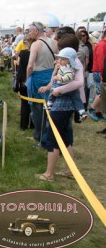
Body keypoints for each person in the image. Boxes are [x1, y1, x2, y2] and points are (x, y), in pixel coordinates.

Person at [37, 37, 84, 181]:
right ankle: (70, 170)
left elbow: (78, 83)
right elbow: (56, 79)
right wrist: (50, 84)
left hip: (62, 106)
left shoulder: (74, 63)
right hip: (64, 106)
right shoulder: (65, 63)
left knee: (53, 138)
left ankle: (49, 174)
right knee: (65, 139)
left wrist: (59, 90)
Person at [26, 21, 55, 148]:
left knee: (37, 111)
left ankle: (40, 137)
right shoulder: (54, 42)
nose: (28, 33)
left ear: (36, 31)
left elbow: (30, 65)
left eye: (29, 31)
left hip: (38, 78)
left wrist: (28, 78)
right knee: (49, 109)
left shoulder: (36, 44)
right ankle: (45, 136)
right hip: (51, 78)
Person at [46, 48, 87, 122]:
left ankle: (49, 103)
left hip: (64, 86)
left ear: (70, 60)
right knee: (77, 100)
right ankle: (81, 111)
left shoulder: (67, 68)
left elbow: (68, 77)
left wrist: (59, 78)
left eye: (63, 59)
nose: (60, 61)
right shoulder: (66, 66)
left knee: (53, 91)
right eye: (59, 59)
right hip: (71, 88)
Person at [16, 39, 33, 130]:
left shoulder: (22, 53)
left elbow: (19, 65)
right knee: (34, 103)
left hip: (23, 80)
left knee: (25, 104)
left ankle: (24, 125)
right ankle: (33, 124)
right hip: (34, 80)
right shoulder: (37, 54)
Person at [89, 28, 106, 120]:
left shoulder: (102, 44)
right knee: (101, 93)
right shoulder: (102, 45)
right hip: (99, 72)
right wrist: (101, 73)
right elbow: (101, 61)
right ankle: (92, 109)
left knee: (100, 92)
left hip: (100, 71)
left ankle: (98, 112)